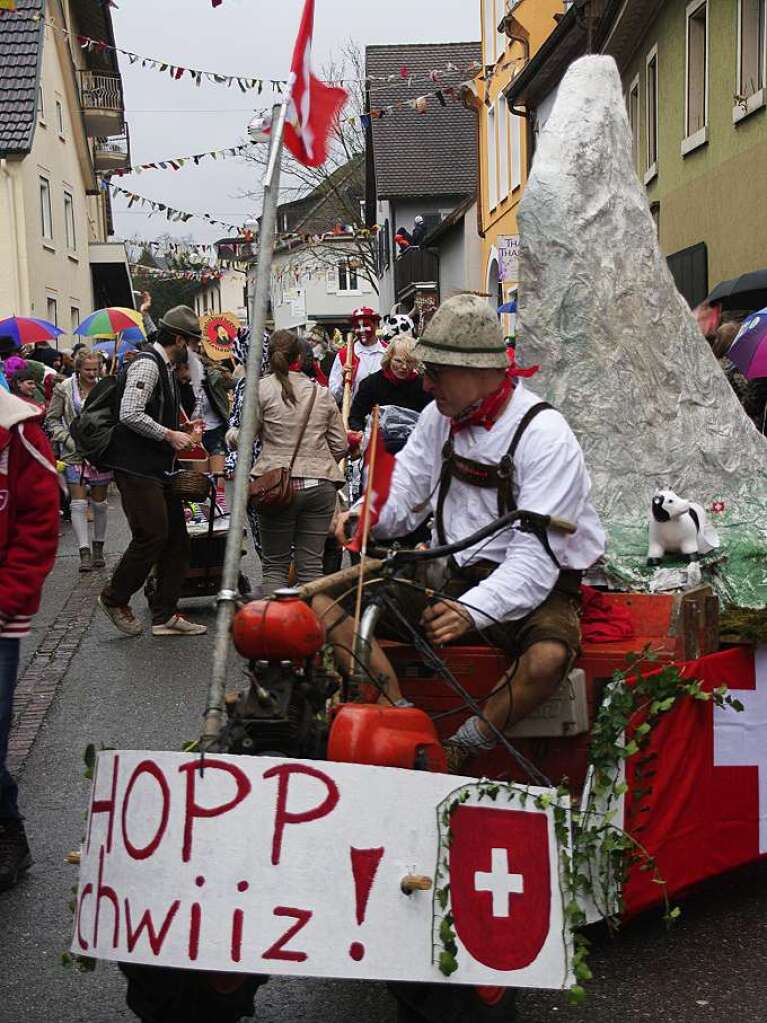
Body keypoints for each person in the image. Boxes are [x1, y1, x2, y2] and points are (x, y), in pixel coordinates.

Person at [315, 294, 606, 772]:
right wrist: (368, 514)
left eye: (436, 373)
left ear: (479, 370)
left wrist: (470, 612)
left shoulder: (545, 434)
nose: (427, 385)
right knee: (322, 605)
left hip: (540, 586)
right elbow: (406, 494)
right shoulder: (438, 418)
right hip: (455, 572)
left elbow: (535, 563)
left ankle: (465, 744)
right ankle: (400, 719)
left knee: (548, 658)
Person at [97, 305, 207, 638]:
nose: (196, 349)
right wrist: (170, 435)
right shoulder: (148, 365)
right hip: (136, 466)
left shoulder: (167, 367)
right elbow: (130, 414)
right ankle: (115, 598)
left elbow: (153, 414)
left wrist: (185, 431)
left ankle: (164, 615)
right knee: (152, 534)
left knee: (177, 540)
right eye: (192, 341)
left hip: (157, 468)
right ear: (178, 338)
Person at [0, 385, 59, 890]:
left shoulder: (19, 428)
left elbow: (39, 521)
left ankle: (7, 830)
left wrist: (7, 596)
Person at [253, 330, 347, 594]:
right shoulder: (322, 394)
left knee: (275, 567)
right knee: (311, 570)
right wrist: (319, 462)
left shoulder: (261, 390)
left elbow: (246, 436)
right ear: (299, 358)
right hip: (319, 487)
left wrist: (231, 436)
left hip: (275, 487)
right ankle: (313, 630)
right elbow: (339, 445)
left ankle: (273, 632)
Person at [46, 349, 112, 572]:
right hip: (73, 452)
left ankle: (99, 548)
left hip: (99, 453)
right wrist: (67, 439)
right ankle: (83, 551)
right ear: (78, 369)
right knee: (78, 502)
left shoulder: (106, 387)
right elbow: (52, 419)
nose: (92, 374)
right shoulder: (64, 388)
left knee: (100, 503)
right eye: (87, 370)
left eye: (96, 369)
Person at [348, 336, 431, 433]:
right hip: (378, 442)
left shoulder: (423, 386)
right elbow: (356, 418)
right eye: (398, 361)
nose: (404, 367)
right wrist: (360, 434)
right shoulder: (370, 384)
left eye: (409, 362)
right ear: (389, 358)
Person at [328, 307, 385, 405]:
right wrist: (343, 383)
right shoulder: (344, 355)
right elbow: (333, 397)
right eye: (357, 327)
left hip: (384, 416)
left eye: (366, 325)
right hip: (355, 416)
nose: (361, 330)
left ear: (376, 325)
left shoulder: (388, 352)